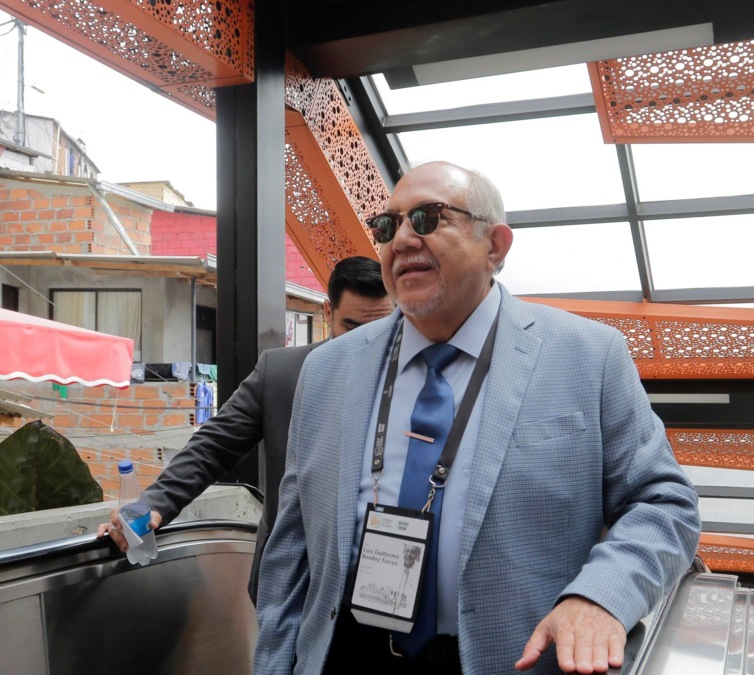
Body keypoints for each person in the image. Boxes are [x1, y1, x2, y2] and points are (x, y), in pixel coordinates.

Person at [255, 162, 700, 675]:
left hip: (511, 658)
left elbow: (665, 504)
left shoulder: (588, 356)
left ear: (495, 246)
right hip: (346, 653)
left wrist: (599, 596)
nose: (402, 239)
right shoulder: (328, 369)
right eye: (388, 225)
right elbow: (292, 544)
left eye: (427, 218)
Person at [97, 256, 395, 603]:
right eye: (352, 328)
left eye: (379, 330)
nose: (365, 344)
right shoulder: (281, 373)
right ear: (328, 313)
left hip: (383, 585)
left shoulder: (421, 380)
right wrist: (151, 505)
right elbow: (212, 447)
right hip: (294, 588)